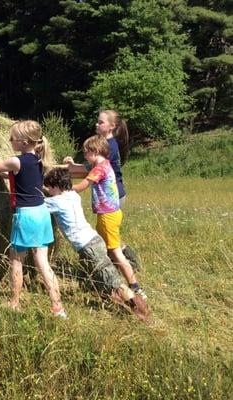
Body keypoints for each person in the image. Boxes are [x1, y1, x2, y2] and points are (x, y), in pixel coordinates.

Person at [0, 120, 67, 318]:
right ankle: (58, 307)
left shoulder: (16, 161)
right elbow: (18, 177)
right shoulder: (38, 160)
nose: (10, 140)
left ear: (22, 141)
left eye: (12, 138)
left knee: (16, 261)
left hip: (26, 216)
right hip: (41, 213)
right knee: (43, 262)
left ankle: (14, 302)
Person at [43, 167, 150, 321]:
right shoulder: (73, 195)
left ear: (56, 187)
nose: (48, 191)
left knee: (114, 282)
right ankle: (118, 302)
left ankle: (142, 312)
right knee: (101, 280)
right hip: (94, 239)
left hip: (88, 247)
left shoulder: (56, 202)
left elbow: (36, 206)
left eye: (49, 188)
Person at [69, 135, 147, 299]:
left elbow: (84, 185)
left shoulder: (98, 169)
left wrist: (64, 189)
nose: (84, 156)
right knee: (108, 248)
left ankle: (136, 288)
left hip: (107, 216)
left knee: (115, 252)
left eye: (86, 152)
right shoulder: (106, 164)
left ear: (95, 151)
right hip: (113, 213)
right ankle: (104, 281)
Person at [64, 109, 141, 270]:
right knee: (107, 235)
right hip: (112, 195)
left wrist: (63, 176)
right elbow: (87, 168)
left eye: (101, 122)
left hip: (112, 196)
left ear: (112, 126)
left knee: (108, 236)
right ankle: (123, 261)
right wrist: (70, 168)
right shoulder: (104, 145)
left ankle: (124, 264)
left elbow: (88, 173)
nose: (96, 124)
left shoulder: (108, 148)